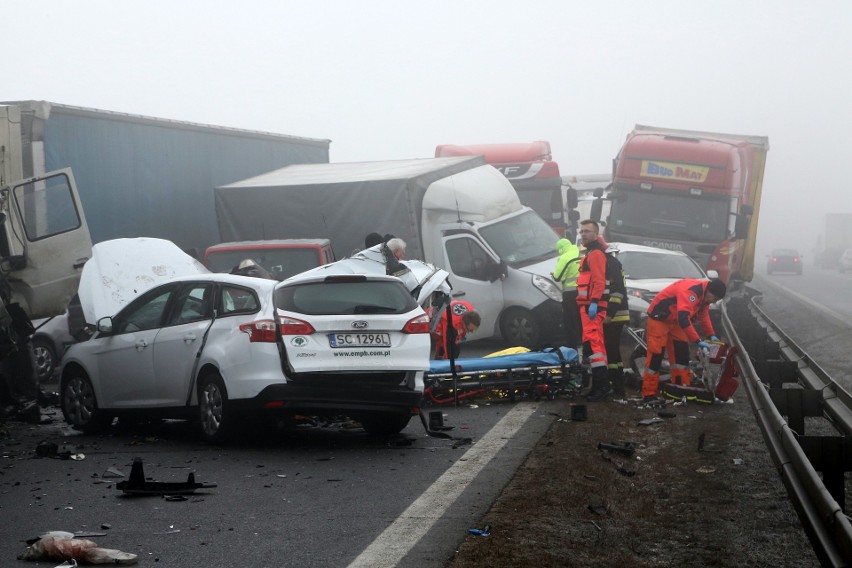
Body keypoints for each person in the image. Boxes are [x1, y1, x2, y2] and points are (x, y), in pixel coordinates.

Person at [640, 277, 727, 402]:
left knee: (681, 354)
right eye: (714, 299)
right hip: (659, 318)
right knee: (656, 356)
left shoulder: (704, 297)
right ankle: (648, 393)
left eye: (716, 300)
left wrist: (710, 335)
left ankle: (681, 388)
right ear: (709, 291)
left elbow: (703, 315)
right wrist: (697, 340)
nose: (713, 302)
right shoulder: (691, 292)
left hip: (675, 321)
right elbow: (683, 318)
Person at [576, 220, 610, 401]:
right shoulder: (591, 253)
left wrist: (595, 301)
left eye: (587, 231)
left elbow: (599, 280)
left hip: (591, 307)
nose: (583, 234)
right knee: (596, 346)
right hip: (588, 306)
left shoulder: (595, 254)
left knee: (595, 346)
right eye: (581, 231)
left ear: (596, 234)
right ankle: (600, 386)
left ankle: (601, 387)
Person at [601, 243, 629, 399]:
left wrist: (609, 313)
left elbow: (617, 291)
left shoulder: (610, 264)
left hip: (615, 314)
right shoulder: (613, 263)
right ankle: (618, 384)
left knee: (610, 349)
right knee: (613, 350)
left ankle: (615, 384)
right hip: (616, 313)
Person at [551, 238, 582, 349]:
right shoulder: (581, 253)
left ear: (562, 249)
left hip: (570, 294)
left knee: (570, 321)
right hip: (585, 292)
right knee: (582, 320)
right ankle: (584, 344)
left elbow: (558, 277)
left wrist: (553, 274)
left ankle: (572, 347)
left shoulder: (564, 257)